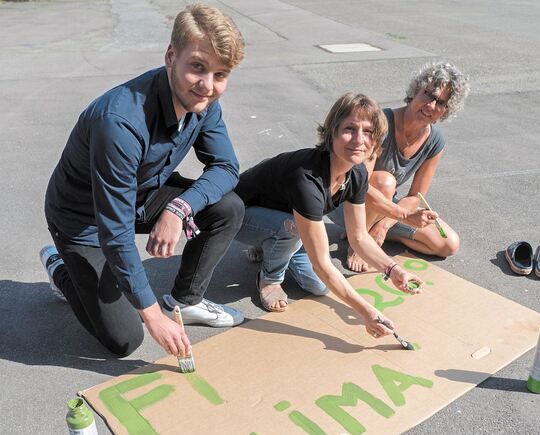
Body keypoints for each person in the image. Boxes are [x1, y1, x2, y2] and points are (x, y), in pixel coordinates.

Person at [41, 4, 246, 358]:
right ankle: (62, 268)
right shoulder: (120, 123)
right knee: (125, 339)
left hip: (143, 191)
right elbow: (115, 231)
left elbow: (227, 167)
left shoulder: (206, 101)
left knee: (227, 207)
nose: (207, 86)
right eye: (197, 67)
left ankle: (186, 300)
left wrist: (178, 208)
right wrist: (152, 316)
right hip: (83, 220)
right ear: (171, 56)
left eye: (220, 74)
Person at [234, 93, 429, 339]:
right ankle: (269, 277)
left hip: (286, 215)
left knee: (319, 286)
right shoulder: (307, 177)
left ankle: (274, 246)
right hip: (240, 214)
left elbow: (359, 237)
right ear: (332, 132)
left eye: (368, 132)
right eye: (350, 129)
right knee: (293, 228)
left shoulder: (356, 173)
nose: (359, 140)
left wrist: (393, 270)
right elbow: (323, 263)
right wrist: (366, 311)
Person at [329, 62, 470, 272]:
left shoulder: (435, 141)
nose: (431, 106)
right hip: (348, 201)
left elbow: (416, 197)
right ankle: (358, 242)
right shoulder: (382, 122)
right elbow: (360, 184)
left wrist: (385, 225)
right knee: (386, 182)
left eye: (440, 102)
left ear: (446, 111)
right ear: (415, 91)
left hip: (383, 208)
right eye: (428, 95)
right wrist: (398, 216)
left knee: (448, 244)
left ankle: (374, 232)